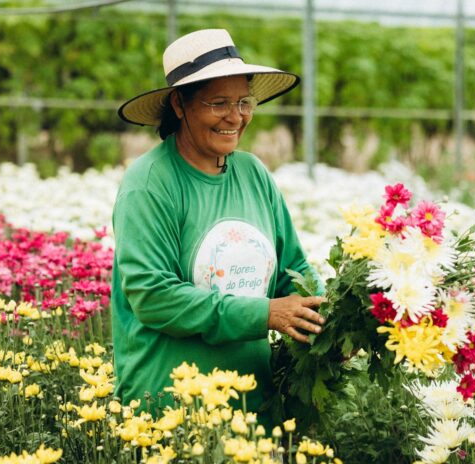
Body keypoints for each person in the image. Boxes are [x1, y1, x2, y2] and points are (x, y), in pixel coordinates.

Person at [111, 28, 325, 416]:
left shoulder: (253, 173)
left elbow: (293, 271)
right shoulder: (150, 183)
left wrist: (329, 319)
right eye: (219, 103)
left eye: (245, 101)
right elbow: (154, 296)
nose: (236, 116)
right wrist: (265, 314)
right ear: (179, 104)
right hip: (172, 409)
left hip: (252, 408)